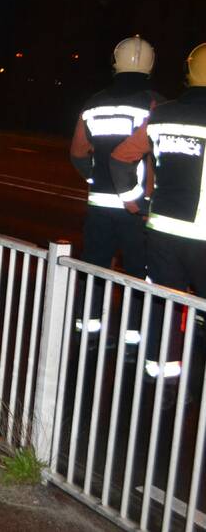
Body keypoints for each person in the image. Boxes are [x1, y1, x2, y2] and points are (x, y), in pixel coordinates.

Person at [112, 42, 206, 379]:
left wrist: (132, 198)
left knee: (164, 306)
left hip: (162, 231)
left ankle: (160, 381)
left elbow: (122, 156)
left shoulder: (163, 114)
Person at [69, 37, 160, 335]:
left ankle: (87, 330)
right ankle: (133, 338)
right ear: (150, 65)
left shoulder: (93, 103)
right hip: (137, 208)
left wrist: (95, 179)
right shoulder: (155, 104)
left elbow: (78, 153)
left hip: (99, 206)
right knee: (138, 274)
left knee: (93, 269)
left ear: (115, 62)